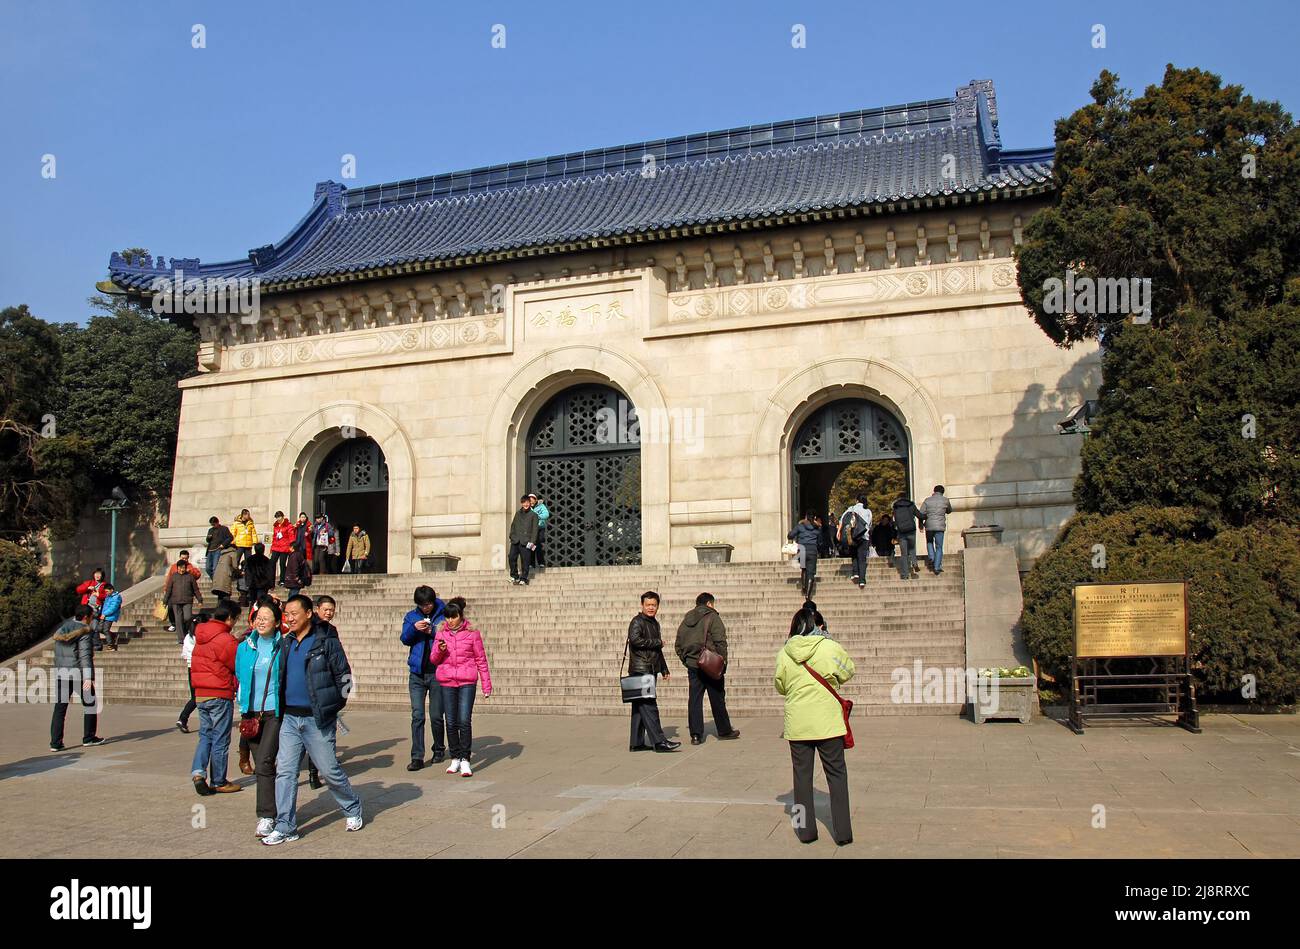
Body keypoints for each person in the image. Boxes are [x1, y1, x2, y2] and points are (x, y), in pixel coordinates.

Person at [262, 595, 363, 845]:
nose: (290, 618)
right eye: (286, 614)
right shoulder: (285, 643)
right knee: (285, 772)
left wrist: (335, 705)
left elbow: (345, 676)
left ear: (309, 613)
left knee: (329, 770)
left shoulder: (325, 641)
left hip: (317, 719)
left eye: (294, 613)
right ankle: (286, 826)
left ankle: (352, 806)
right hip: (290, 719)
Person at [774, 606, 855, 846]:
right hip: (828, 722)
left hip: (798, 724)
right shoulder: (830, 647)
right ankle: (843, 833)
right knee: (837, 776)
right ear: (819, 626)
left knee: (801, 778)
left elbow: (780, 685)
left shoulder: (784, 652)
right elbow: (849, 670)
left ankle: (804, 831)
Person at [236, 599, 284, 838]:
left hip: (274, 713)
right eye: (258, 617)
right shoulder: (244, 647)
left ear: (277, 622)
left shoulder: (282, 646)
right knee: (263, 767)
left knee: (264, 762)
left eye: (266, 617)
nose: (261, 621)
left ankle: (266, 816)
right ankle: (277, 809)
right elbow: (240, 676)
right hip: (250, 714)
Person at [189, 599, 247, 796]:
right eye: (235, 619)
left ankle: (198, 772)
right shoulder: (225, 639)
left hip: (200, 693)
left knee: (205, 735)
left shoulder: (201, 635)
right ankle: (219, 780)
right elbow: (236, 666)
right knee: (221, 738)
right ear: (230, 617)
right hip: (219, 693)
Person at [431, 599, 492, 777]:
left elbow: (481, 659)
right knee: (450, 721)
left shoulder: (472, 634)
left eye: (454, 617)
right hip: (447, 680)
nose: (450, 620)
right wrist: (440, 650)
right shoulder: (441, 633)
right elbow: (434, 659)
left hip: (466, 680)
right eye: (447, 617)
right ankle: (455, 757)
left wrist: (486, 684)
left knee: (464, 720)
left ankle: (465, 759)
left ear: (461, 616)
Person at [674, 592, 740, 745]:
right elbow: (720, 642)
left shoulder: (686, 620)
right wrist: (723, 663)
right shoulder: (713, 617)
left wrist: (687, 660)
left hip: (693, 665)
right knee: (717, 698)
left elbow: (678, 645)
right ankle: (724, 730)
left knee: (695, 700)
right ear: (710, 603)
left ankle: (696, 734)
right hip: (710, 664)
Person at [401, 585, 448, 770]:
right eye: (422, 605)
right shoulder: (412, 616)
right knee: (417, 715)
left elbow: (450, 636)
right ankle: (417, 756)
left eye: (428, 604)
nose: (425, 608)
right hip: (417, 673)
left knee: (436, 715)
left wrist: (433, 632)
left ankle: (438, 748)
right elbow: (405, 638)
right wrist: (415, 629)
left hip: (437, 672)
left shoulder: (444, 614)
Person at [626, 591, 679, 753]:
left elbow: (657, 649)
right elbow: (635, 640)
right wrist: (658, 642)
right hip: (641, 669)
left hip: (650, 667)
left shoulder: (654, 623)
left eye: (654, 605)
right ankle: (660, 741)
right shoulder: (637, 621)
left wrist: (663, 668)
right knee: (649, 706)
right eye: (648, 605)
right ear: (642, 605)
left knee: (639, 706)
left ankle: (636, 742)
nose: (651, 608)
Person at [49, 605, 104, 751]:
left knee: (60, 708)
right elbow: (85, 655)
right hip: (77, 673)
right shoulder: (84, 632)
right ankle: (89, 737)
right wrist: (88, 677)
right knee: (91, 704)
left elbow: (58, 654)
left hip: (62, 672)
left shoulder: (63, 629)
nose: (92, 619)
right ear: (86, 617)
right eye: (92, 616)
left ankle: (55, 742)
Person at [164, 556, 203, 643]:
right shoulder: (173, 577)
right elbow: (169, 589)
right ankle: (181, 639)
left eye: (184, 568)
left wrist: (200, 599)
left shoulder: (190, 577)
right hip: (176, 602)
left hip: (187, 601)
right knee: (178, 620)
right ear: (177, 568)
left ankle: (186, 630)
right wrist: (165, 601)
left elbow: (195, 589)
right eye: (181, 568)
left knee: (187, 617)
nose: (182, 569)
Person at [837, 496, 873, 590]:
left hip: (852, 536)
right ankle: (862, 580)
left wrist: (839, 532)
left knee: (854, 554)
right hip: (864, 536)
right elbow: (869, 524)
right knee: (862, 559)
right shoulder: (868, 511)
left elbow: (842, 520)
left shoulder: (851, 508)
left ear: (856, 500)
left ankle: (855, 572)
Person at [919, 485, 953, 575]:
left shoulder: (927, 500)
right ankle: (937, 567)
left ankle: (931, 556)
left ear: (934, 491)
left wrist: (921, 524)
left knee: (929, 542)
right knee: (939, 546)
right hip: (940, 526)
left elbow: (921, 512)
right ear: (943, 492)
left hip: (929, 525)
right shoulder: (946, 500)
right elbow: (949, 510)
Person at [787, 511, 821, 597]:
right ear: (814, 518)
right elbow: (820, 542)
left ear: (806, 517)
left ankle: (803, 586)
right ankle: (808, 595)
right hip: (812, 551)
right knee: (811, 573)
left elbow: (790, 535)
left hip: (802, 550)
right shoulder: (817, 528)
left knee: (804, 568)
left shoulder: (800, 526)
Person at [507, 495, 538, 585]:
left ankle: (524, 578)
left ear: (530, 503)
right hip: (516, 540)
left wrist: (532, 542)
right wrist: (511, 536)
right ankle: (514, 576)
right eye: (524, 503)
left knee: (525, 561)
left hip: (526, 541)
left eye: (527, 502)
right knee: (511, 557)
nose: (526, 504)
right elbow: (513, 526)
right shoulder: (518, 513)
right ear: (521, 503)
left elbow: (535, 530)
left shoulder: (534, 515)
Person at [891, 494, 923, 580]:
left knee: (904, 554)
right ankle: (915, 563)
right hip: (911, 530)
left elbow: (893, 521)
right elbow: (919, 515)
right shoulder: (911, 505)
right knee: (912, 548)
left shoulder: (895, 507)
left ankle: (905, 574)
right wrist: (924, 519)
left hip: (901, 532)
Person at [176, 621, 197, 733]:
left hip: (190, 667)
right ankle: (183, 718)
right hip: (198, 668)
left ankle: (183, 719)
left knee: (195, 696)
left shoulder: (187, 638)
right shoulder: (199, 638)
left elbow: (184, 654)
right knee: (198, 697)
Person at [243, 542, 275, 608]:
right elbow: (270, 573)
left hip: (253, 584)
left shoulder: (250, 559)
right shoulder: (266, 560)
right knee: (261, 602)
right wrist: (271, 584)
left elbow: (247, 572)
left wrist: (247, 583)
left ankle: (251, 616)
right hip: (263, 584)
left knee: (253, 602)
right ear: (263, 549)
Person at [270, 511, 295, 586]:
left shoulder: (288, 525)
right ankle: (271, 579)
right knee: (272, 562)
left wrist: (291, 545)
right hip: (276, 546)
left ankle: (282, 579)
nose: (278, 519)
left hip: (285, 547)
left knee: (282, 563)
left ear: (283, 516)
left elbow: (291, 535)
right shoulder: (276, 526)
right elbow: (274, 537)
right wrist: (272, 547)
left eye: (279, 517)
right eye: (277, 517)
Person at [528, 493, 549, 569]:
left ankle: (541, 563)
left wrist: (537, 517)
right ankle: (531, 564)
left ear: (536, 499)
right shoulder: (528, 508)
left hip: (540, 528)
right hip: (531, 529)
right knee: (532, 546)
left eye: (532, 500)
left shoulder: (541, 506)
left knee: (537, 545)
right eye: (529, 500)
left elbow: (546, 514)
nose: (531, 502)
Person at [98, 583, 123, 650]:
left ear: (111, 590)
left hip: (110, 616)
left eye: (107, 591)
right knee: (99, 629)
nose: (106, 593)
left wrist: (105, 614)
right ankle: (113, 635)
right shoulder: (108, 597)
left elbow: (113, 607)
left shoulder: (116, 597)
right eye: (105, 591)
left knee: (106, 630)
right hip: (104, 615)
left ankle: (110, 645)